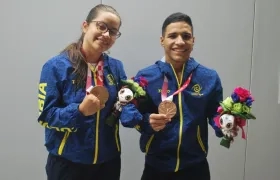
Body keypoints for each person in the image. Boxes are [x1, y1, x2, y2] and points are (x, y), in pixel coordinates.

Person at [120, 12, 238, 180]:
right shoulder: (146, 76)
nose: (180, 42)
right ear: (162, 40)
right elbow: (132, 113)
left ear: (193, 41)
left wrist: (225, 125)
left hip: (195, 167)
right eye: (172, 36)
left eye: (186, 36)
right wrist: (147, 121)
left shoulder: (209, 77)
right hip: (156, 166)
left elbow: (215, 112)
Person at [37, 4, 126, 180]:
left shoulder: (116, 67)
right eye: (101, 26)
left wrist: (134, 103)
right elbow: (46, 116)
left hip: (108, 163)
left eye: (113, 31)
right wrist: (79, 112)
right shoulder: (55, 67)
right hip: (68, 164)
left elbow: (121, 105)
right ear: (85, 26)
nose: (106, 34)